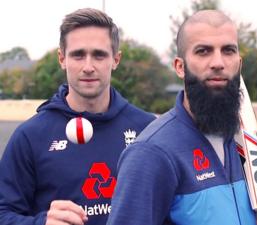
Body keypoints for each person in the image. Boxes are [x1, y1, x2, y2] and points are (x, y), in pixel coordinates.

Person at [107, 10, 257, 225]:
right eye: (203, 51)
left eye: (228, 51)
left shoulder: (243, 142)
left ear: (239, 64)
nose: (218, 62)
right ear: (180, 67)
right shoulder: (151, 153)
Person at [0, 8, 155, 225]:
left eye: (99, 55)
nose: (88, 67)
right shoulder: (31, 136)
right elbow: (3, 212)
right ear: (62, 59)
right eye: (78, 55)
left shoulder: (148, 130)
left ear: (116, 60)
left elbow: (171, 208)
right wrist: (41, 223)